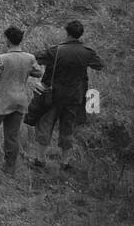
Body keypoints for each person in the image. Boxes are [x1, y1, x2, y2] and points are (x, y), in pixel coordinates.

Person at [30, 20, 105, 171]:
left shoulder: (56, 51)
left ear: (67, 33)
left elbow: (35, 57)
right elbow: (99, 65)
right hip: (74, 97)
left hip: (53, 96)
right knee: (67, 129)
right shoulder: (87, 52)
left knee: (45, 125)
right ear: (80, 34)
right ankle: (65, 163)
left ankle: (39, 160)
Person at [0, 25, 45, 175]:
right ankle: (10, 168)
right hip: (19, 101)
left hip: (0, 101)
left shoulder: (3, 59)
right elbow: (38, 72)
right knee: (12, 135)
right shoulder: (29, 58)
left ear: (7, 40)